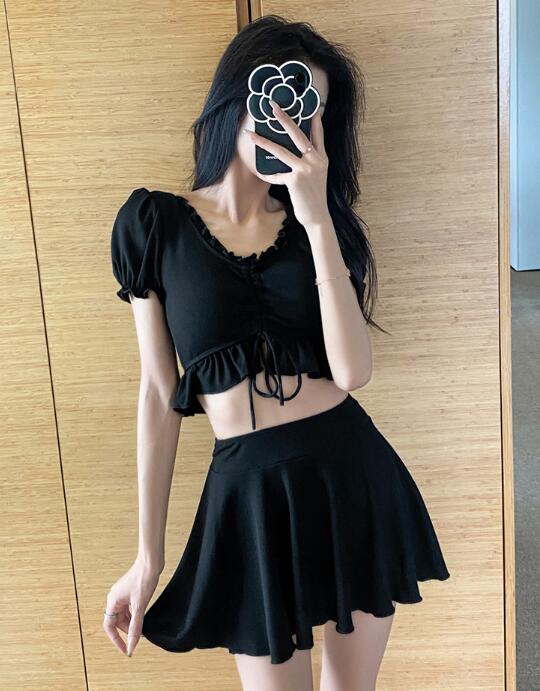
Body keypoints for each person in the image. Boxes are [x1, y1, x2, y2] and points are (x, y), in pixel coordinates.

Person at [103, 15, 450, 691]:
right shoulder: (153, 225)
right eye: (279, 99)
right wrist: (148, 556)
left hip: (350, 475)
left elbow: (352, 372)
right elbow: (158, 391)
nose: (289, 125)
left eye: (309, 112)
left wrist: (316, 217)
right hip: (249, 497)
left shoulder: (318, 226)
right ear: (237, 95)